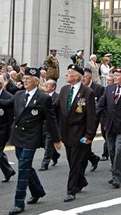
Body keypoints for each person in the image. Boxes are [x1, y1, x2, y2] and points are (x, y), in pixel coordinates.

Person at [0, 67, 61, 215]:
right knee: (25, 165)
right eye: (24, 79)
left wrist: (56, 139)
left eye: (28, 79)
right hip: (18, 135)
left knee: (23, 167)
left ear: (36, 81)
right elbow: (6, 104)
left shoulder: (44, 98)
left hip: (31, 136)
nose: (24, 81)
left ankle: (19, 202)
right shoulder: (18, 95)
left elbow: (51, 120)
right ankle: (38, 191)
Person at [55, 64, 96, 202]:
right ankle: (82, 181)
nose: (66, 75)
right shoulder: (64, 89)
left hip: (79, 134)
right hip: (65, 133)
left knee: (74, 164)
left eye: (69, 73)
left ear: (77, 76)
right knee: (71, 161)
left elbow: (91, 116)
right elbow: (55, 106)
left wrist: (89, 135)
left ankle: (71, 190)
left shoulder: (87, 92)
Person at [82, 68, 103, 171]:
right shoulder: (79, 88)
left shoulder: (98, 88)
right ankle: (93, 158)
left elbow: (102, 105)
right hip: (80, 120)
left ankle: (81, 168)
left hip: (93, 121)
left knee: (86, 143)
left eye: (85, 77)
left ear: (90, 77)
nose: (83, 79)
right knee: (81, 144)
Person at [39, 79, 61, 171]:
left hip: (51, 124)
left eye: (48, 85)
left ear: (53, 87)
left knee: (48, 144)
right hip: (42, 124)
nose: (46, 86)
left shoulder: (57, 97)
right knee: (42, 143)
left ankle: (45, 163)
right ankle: (55, 155)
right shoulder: (42, 96)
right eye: (45, 84)